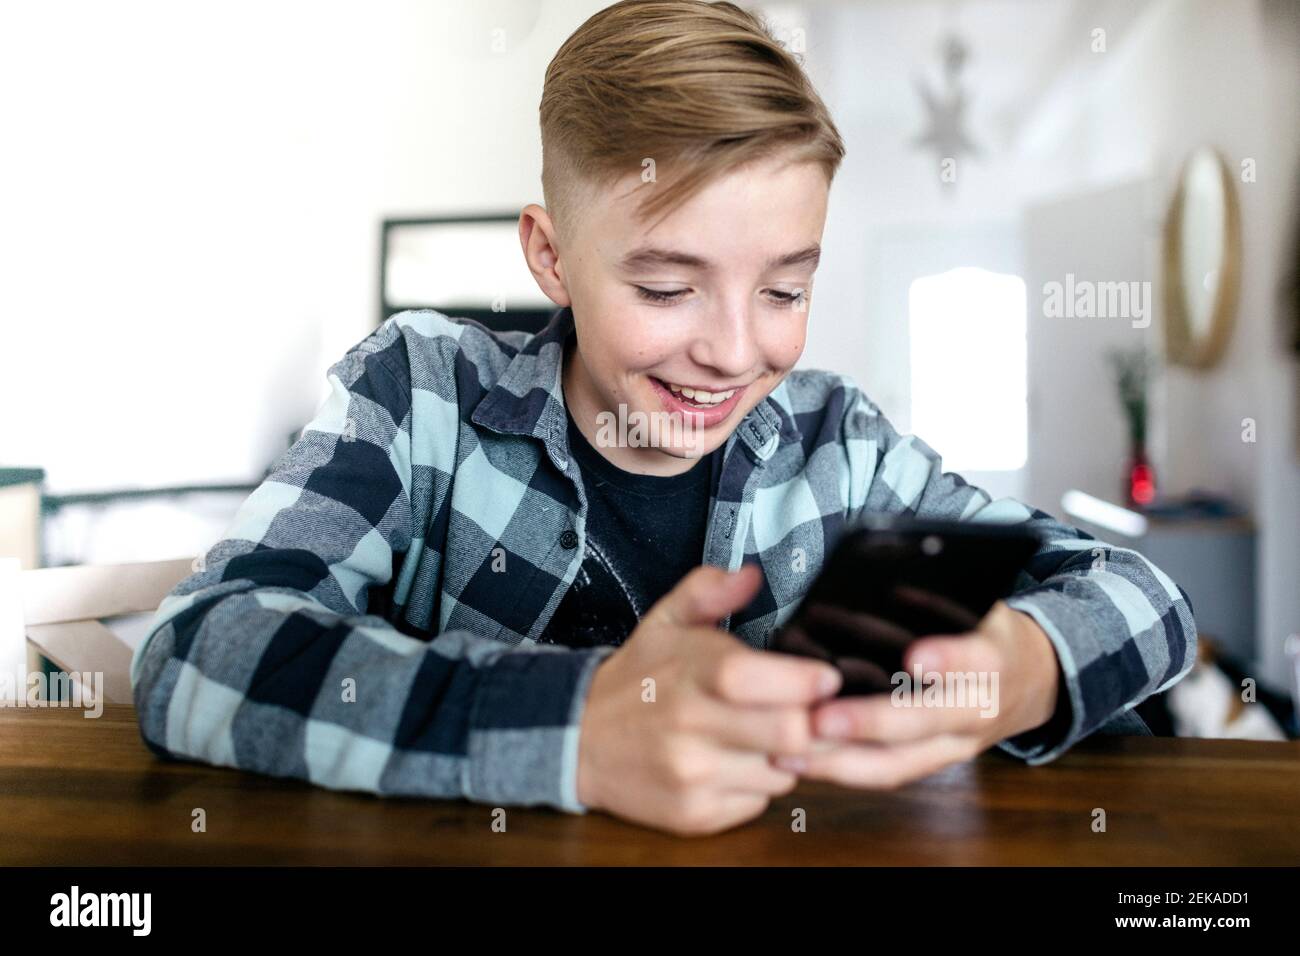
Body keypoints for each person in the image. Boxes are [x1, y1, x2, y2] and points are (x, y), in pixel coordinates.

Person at [131, 0, 1197, 837]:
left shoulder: (843, 446)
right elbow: (195, 650)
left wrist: (1018, 665)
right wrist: (577, 730)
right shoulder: (421, 395)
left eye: (783, 290)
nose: (735, 351)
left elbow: (1148, 596)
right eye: (665, 288)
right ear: (550, 256)